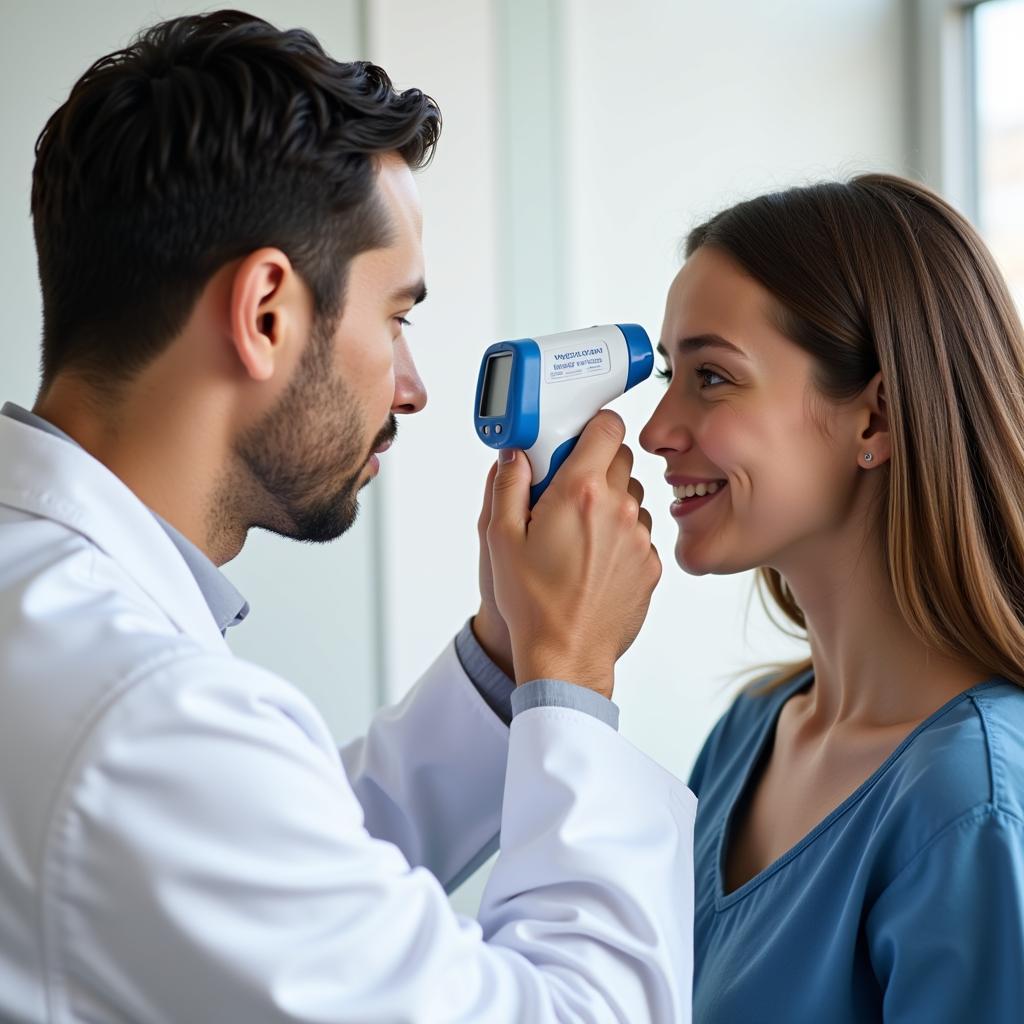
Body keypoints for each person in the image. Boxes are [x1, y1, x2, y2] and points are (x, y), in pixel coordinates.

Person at [0, 11, 697, 1022]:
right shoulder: (145, 716)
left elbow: (285, 864)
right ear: (266, 312)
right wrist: (572, 677)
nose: (412, 387)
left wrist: (508, 658)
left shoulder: (52, 616)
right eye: (397, 316)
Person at [639, 173, 1024, 1021]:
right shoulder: (750, 732)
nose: (657, 430)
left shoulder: (972, 801)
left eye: (711, 377)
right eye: (670, 373)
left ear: (876, 419)